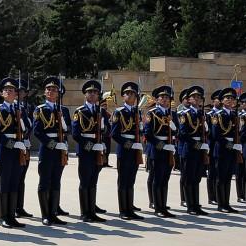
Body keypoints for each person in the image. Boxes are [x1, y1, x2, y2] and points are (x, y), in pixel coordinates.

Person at [0, 77, 30, 228]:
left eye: (12, 90)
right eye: (6, 90)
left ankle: (12, 216)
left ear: (16, 94)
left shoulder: (20, 109)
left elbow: (27, 128)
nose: (9, 92)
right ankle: (4, 217)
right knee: (5, 183)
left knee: (15, 184)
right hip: (6, 151)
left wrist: (22, 125)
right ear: (2, 94)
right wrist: (13, 144)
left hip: (19, 150)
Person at [32, 77, 70, 225]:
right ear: (45, 93)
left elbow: (70, 130)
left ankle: (53, 213)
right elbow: (37, 132)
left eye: (54, 90)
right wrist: (53, 144)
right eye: (48, 89)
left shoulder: (64, 110)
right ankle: (45, 215)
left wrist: (63, 124)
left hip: (60, 150)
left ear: (58, 93)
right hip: (48, 150)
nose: (51, 91)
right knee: (45, 181)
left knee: (56, 181)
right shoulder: (40, 109)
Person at [72, 79, 108, 222]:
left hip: (98, 150)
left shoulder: (101, 111)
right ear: (85, 95)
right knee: (85, 181)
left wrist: (103, 145)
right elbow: (76, 134)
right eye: (90, 92)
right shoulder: (80, 111)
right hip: (86, 151)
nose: (93, 94)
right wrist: (91, 146)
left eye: (95, 92)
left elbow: (106, 131)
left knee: (94, 181)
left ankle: (92, 211)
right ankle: (84, 212)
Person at [110, 81, 143, 220]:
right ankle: (123, 210)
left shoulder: (137, 112)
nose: (131, 96)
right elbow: (115, 134)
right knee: (123, 180)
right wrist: (130, 144)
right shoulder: (119, 112)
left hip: (135, 150)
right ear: (123, 96)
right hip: (124, 150)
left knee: (131, 180)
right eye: (128, 93)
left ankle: (130, 208)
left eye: (133, 94)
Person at [144, 85, 178, 218]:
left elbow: (177, 131)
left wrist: (173, 127)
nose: (165, 99)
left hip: (169, 149)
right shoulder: (151, 113)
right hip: (158, 150)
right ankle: (157, 207)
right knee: (157, 179)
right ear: (157, 99)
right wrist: (162, 146)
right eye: (162, 97)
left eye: (167, 97)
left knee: (165, 179)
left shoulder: (172, 114)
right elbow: (148, 134)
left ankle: (163, 205)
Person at [177, 85, 209, 216]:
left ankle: (196, 204)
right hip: (189, 149)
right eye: (194, 97)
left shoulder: (202, 114)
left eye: (199, 97)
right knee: (189, 178)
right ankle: (190, 205)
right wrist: (197, 145)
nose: (196, 99)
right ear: (189, 99)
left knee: (197, 178)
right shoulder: (185, 114)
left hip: (199, 149)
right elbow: (182, 134)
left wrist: (204, 144)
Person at [209, 88, 241, 214]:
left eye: (232, 98)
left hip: (231, 149)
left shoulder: (234, 115)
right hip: (222, 149)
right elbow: (215, 134)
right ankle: (220, 203)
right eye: (227, 98)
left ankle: (226, 203)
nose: (229, 100)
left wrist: (236, 145)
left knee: (228, 177)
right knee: (220, 177)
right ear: (222, 101)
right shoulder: (217, 115)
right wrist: (229, 144)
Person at [15, 81, 34, 217]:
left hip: (25, 145)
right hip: (14, 145)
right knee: (13, 179)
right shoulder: (8, 107)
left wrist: (26, 138)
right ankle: (12, 208)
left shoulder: (28, 107)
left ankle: (19, 207)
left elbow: (29, 125)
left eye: (22, 92)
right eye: (18, 91)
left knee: (21, 177)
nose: (20, 94)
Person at [205, 89, 223, 205]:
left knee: (220, 173)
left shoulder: (225, 114)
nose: (220, 102)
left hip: (223, 146)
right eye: (218, 99)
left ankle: (219, 195)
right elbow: (208, 132)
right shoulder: (209, 115)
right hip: (212, 146)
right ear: (213, 101)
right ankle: (212, 196)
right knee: (212, 172)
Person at [235, 93, 246, 203]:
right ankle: (240, 194)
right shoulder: (239, 116)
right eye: (245, 103)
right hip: (240, 146)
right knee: (240, 172)